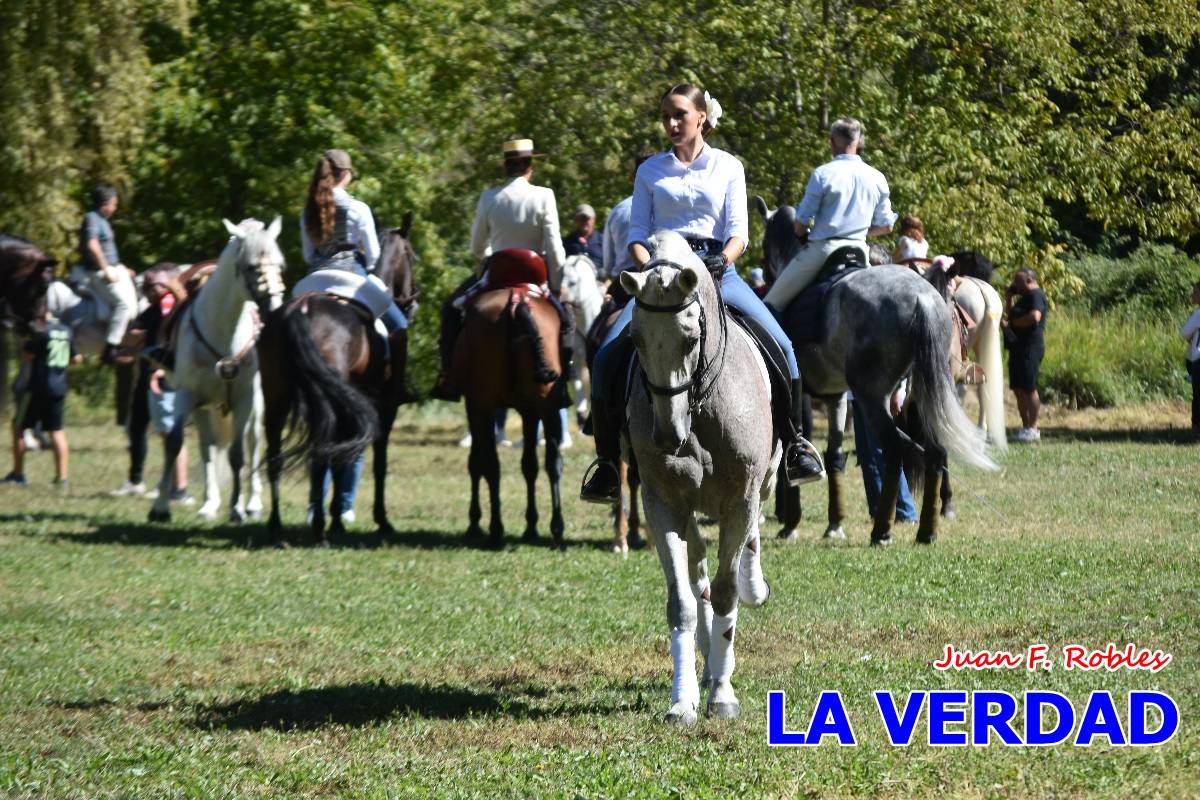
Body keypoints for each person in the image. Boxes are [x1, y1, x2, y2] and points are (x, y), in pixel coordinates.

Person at [579, 84, 824, 503]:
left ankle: (795, 445)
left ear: (701, 117)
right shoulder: (650, 171)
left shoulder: (728, 166)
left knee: (783, 346)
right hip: (662, 276)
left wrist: (723, 261)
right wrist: (652, 267)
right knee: (605, 357)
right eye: (666, 117)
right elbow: (637, 236)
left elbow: (739, 233)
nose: (672, 124)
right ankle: (606, 463)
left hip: (719, 272)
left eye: (680, 115)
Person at [297, 148, 412, 524]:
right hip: (352, 277)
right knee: (399, 325)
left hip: (312, 282)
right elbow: (375, 257)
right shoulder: (358, 208)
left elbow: (308, 254)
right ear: (347, 174)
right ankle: (398, 385)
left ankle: (314, 504)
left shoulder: (307, 209)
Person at [431, 137, 572, 401]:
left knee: (451, 309)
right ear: (531, 167)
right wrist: (556, 284)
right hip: (535, 276)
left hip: (497, 275)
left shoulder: (489, 198)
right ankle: (563, 379)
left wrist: (488, 258)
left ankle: (448, 375)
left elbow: (476, 246)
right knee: (566, 318)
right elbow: (554, 247)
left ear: (505, 166)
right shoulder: (544, 196)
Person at [762, 117, 897, 312]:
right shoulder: (877, 177)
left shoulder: (823, 174)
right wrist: (859, 232)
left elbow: (800, 224)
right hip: (860, 251)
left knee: (770, 305)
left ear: (832, 142)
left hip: (822, 251)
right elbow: (887, 226)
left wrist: (802, 234)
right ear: (859, 142)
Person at [111, 265, 191, 503]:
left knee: (170, 431)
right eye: (145, 285)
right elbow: (129, 337)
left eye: (152, 285)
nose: (147, 289)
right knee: (137, 427)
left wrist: (159, 367)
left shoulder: (174, 307)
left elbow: (172, 341)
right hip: (147, 376)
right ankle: (136, 481)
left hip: (164, 377)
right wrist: (135, 339)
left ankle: (179, 489)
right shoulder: (154, 309)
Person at [4, 310, 80, 488]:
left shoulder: (40, 332)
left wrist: (25, 343)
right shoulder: (66, 330)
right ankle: (62, 479)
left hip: (37, 388)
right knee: (57, 431)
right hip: (59, 388)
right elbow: (77, 358)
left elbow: (28, 356)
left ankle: (18, 474)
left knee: (18, 426)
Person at [79, 185, 137, 364]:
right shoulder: (92, 218)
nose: (115, 208)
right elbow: (92, 245)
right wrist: (106, 271)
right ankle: (110, 350)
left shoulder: (103, 221)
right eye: (114, 204)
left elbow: (107, 251)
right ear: (105, 203)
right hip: (97, 272)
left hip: (113, 269)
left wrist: (122, 268)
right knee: (123, 306)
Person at [1002, 268, 1049, 442]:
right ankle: (1025, 427)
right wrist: (1009, 298)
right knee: (1018, 388)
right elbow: (1012, 314)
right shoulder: (1024, 298)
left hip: (1030, 348)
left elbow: (1034, 317)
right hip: (1017, 347)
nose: (1015, 284)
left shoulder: (1036, 295)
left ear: (1029, 280)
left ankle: (1033, 428)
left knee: (1029, 388)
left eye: (1018, 281)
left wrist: (1012, 324)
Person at [601, 151, 657, 282]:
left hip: (624, 282)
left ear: (633, 178)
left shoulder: (617, 212)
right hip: (661, 280)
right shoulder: (672, 209)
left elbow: (608, 265)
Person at [1180, 281, 1200, 440]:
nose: (1192, 295)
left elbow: (1184, 333)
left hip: (1198, 359)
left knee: (1198, 395)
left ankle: (1196, 428)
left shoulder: (1199, 314)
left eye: (1195, 292)